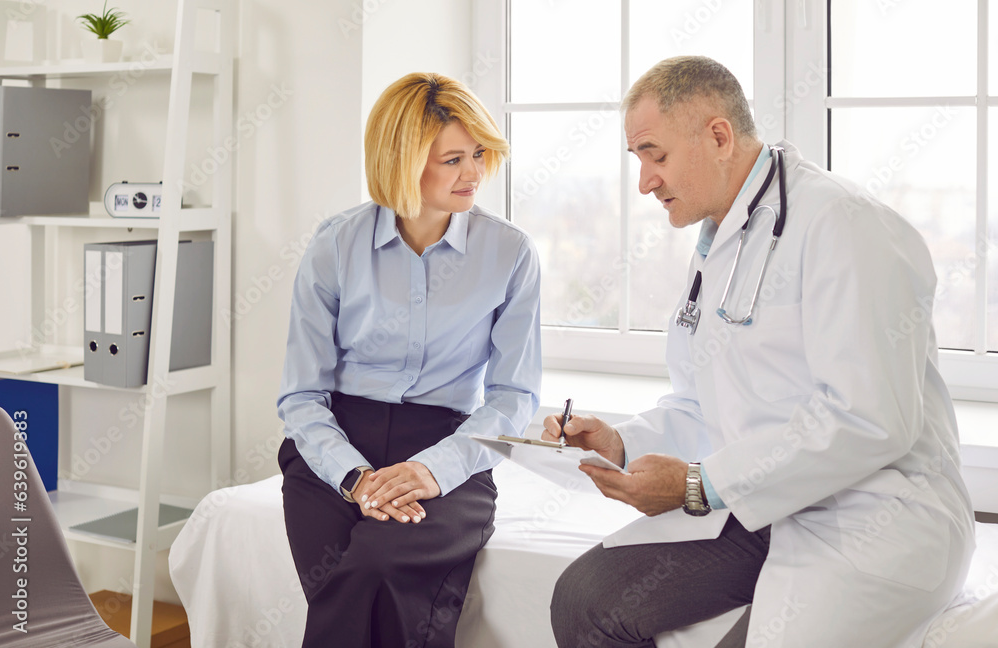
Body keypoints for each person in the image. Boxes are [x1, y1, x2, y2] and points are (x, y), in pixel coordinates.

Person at [543, 56, 975, 648]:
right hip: (764, 504)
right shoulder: (720, 240)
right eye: (637, 159)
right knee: (584, 601)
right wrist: (622, 442)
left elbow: (870, 419)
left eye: (655, 154)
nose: (645, 181)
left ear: (718, 136)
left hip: (876, 513)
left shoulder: (844, 224)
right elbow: (705, 403)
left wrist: (699, 485)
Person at [277, 72, 541, 648]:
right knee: (342, 569)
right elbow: (301, 393)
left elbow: (514, 397)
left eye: (478, 154)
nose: (474, 173)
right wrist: (355, 478)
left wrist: (432, 471)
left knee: (376, 561)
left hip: (447, 442)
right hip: (337, 442)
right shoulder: (336, 244)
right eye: (452, 159)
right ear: (402, 160)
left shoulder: (510, 253)